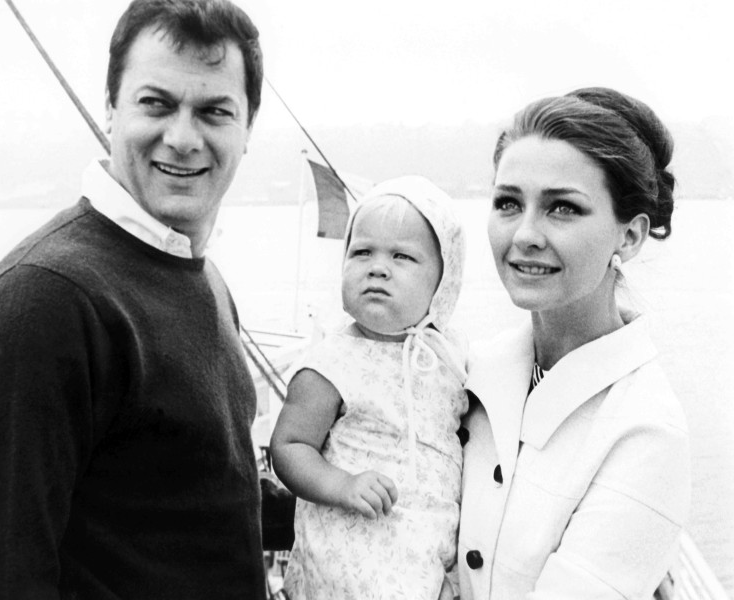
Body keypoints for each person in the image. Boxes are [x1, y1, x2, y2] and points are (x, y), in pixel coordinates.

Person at [0, 1, 270, 597]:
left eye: (214, 111)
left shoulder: (203, 279)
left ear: (248, 128)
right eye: (157, 103)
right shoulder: (42, 304)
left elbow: (196, 515)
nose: (183, 137)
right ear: (112, 109)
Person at [457, 87, 692, 599]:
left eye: (562, 208)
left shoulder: (646, 433)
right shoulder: (468, 370)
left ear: (628, 237)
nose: (524, 234)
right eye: (508, 203)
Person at [270, 176, 470, 600]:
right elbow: (289, 446)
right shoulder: (332, 360)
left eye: (402, 256)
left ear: (443, 280)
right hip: (345, 556)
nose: (378, 267)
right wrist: (342, 484)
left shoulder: (451, 356)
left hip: (425, 559)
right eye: (362, 252)